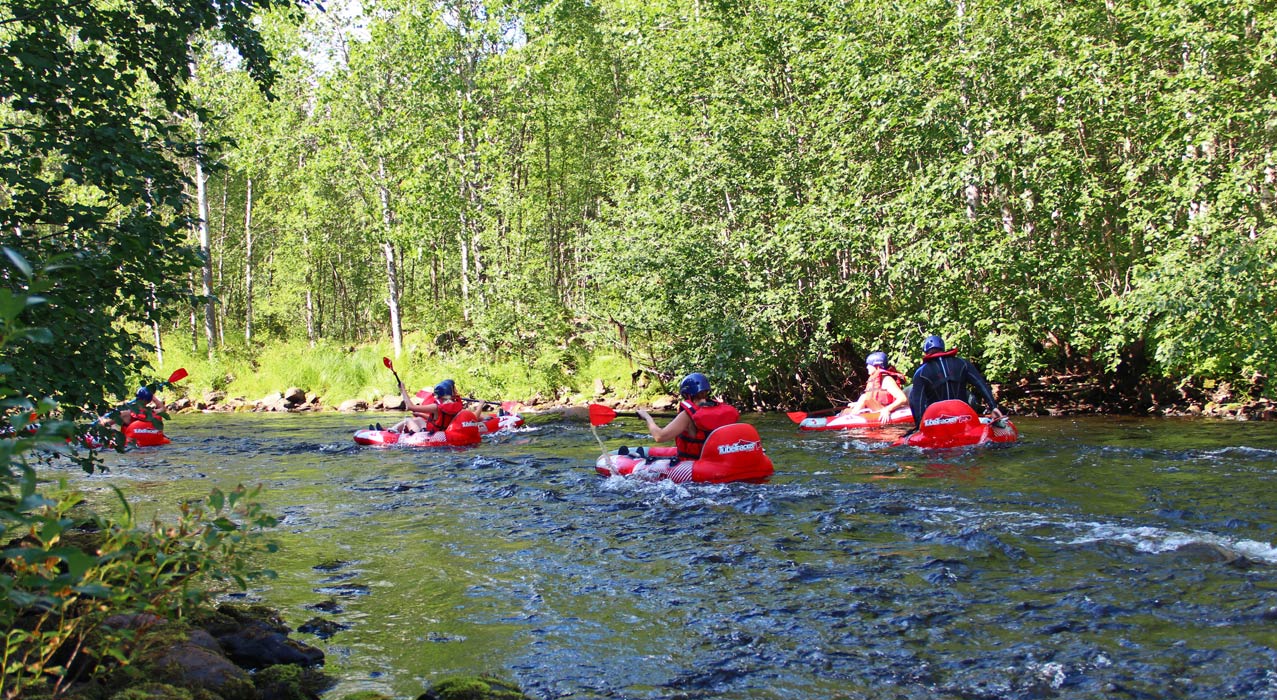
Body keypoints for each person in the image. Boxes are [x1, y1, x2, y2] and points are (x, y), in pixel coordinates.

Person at [634, 372, 740, 461]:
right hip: (719, 460)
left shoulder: (688, 415)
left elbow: (659, 437)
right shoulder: (719, 409)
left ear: (686, 394)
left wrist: (647, 417)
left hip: (697, 465)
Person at [908, 335, 1006, 427]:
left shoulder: (920, 372)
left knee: (913, 393)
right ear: (943, 348)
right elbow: (980, 384)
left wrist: (919, 425)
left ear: (925, 351)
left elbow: (916, 401)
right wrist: (993, 407)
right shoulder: (962, 363)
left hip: (936, 421)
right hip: (963, 417)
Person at [839, 351, 909, 425]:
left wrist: (887, 410)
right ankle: (841, 420)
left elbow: (903, 399)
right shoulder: (874, 378)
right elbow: (873, 399)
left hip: (883, 409)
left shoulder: (887, 380)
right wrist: (858, 403)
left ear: (877, 366)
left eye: (869, 365)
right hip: (876, 407)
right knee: (846, 410)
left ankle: (849, 422)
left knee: (864, 397)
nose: (867, 367)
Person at [385, 379, 467, 434]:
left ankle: (390, 432)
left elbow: (410, 407)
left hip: (432, 435)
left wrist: (403, 389)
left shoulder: (435, 407)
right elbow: (439, 420)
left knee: (408, 420)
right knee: (419, 419)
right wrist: (420, 414)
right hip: (442, 432)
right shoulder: (457, 406)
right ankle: (392, 429)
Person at [99, 386, 167, 430]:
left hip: (132, 445)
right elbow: (163, 408)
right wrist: (154, 398)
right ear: (150, 399)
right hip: (150, 445)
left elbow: (105, 424)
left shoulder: (126, 414)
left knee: (113, 427)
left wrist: (102, 418)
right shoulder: (153, 413)